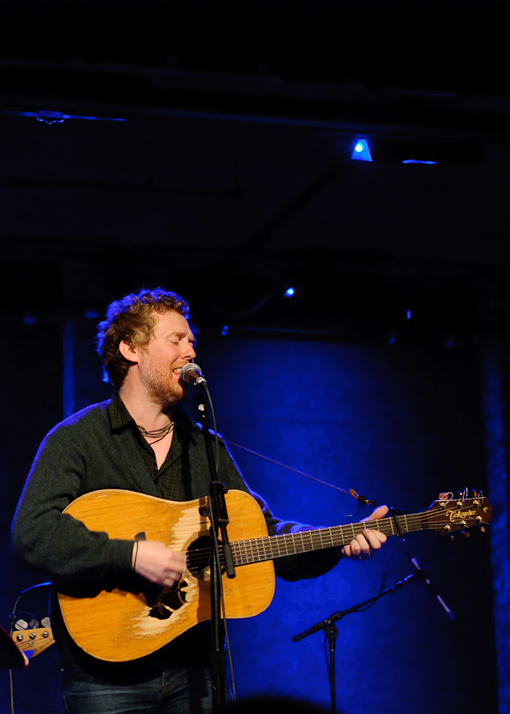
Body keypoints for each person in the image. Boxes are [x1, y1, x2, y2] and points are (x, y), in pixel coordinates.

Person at [12, 287, 387, 714]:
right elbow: (32, 532)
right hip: (105, 671)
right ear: (130, 349)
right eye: (176, 339)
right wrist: (129, 556)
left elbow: (261, 535)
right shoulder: (77, 439)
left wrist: (337, 542)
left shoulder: (203, 446)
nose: (191, 349)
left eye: (191, 340)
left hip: (195, 668)